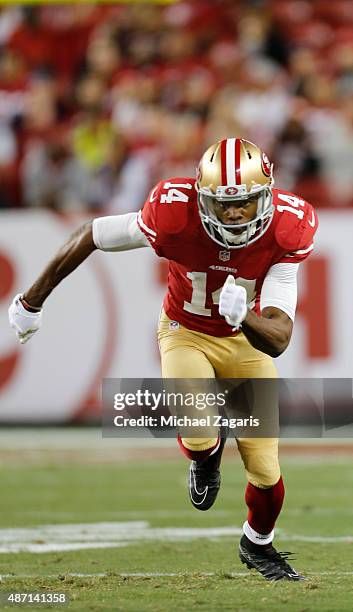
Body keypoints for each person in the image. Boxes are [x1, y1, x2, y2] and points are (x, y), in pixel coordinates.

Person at [8, 137, 317, 581]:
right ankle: (206, 457)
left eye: (245, 204)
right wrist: (32, 300)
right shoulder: (172, 213)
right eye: (222, 204)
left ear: (266, 197)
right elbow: (93, 234)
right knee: (197, 433)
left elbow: (278, 338)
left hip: (246, 344)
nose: (233, 214)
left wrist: (244, 316)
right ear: (201, 196)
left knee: (266, 471)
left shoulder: (290, 227)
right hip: (185, 332)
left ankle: (257, 544)